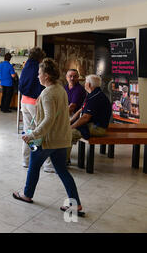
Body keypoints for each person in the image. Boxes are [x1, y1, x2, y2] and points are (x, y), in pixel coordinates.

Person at [12, 58, 85, 217]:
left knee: (33, 166)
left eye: (39, 73)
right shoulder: (60, 89)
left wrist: (33, 135)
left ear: (46, 75)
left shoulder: (47, 93)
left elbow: (49, 119)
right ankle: (76, 204)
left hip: (47, 140)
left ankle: (27, 195)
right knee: (62, 171)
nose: (37, 76)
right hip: (61, 138)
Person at [18, 47, 54, 172]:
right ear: (40, 57)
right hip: (35, 103)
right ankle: (48, 164)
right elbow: (40, 85)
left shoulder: (26, 66)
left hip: (24, 101)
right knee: (42, 131)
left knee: (28, 131)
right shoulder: (38, 67)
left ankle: (26, 160)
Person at [70, 74, 112, 146]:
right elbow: (81, 110)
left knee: (69, 134)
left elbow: (85, 118)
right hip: (92, 125)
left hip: (97, 128)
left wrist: (71, 127)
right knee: (69, 129)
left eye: (85, 82)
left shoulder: (95, 98)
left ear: (88, 84)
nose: (84, 84)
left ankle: (64, 157)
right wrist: (70, 122)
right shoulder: (93, 94)